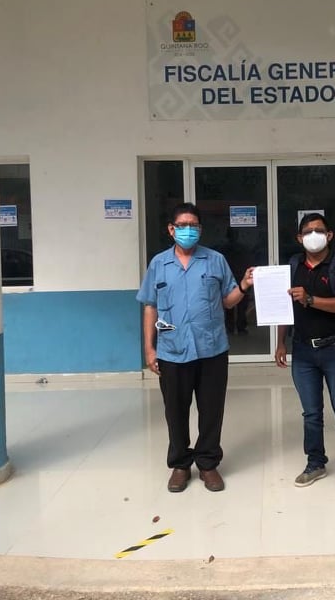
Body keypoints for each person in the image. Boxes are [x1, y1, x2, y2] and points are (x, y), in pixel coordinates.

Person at [136, 202, 254, 493]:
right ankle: (180, 465)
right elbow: (150, 306)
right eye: (183, 226)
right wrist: (149, 349)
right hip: (172, 350)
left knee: (211, 410)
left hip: (211, 349)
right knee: (175, 411)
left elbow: (227, 301)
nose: (188, 230)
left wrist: (243, 285)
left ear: (200, 229)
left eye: (194, 226)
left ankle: (208, 464)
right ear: (171, 229)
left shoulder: (215, 260)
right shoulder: (159, 264)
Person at [274, 213, 335, 495]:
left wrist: (310, 299)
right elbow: (284, 307)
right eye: (308, 231)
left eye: (319, 230)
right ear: (299, 238)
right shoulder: (293, 266)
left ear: (329, 235)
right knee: (311, 413)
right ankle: (315, 463)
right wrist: (281, 342)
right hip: (302, 351)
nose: (314, 235)